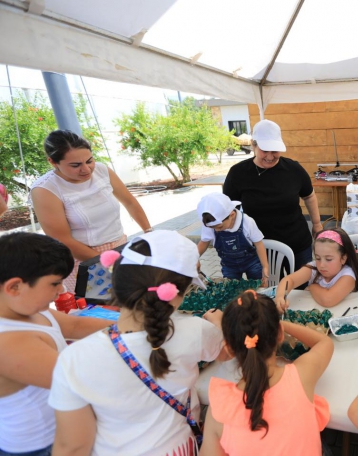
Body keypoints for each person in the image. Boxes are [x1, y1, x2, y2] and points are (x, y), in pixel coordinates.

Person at [49, 230, 226, 455]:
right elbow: (224, 352)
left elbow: (72, 446)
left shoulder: (73, 358)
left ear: (116, 277)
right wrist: (218, 323)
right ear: (174, 294)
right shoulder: (195, 331)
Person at [0, 233, 111, 456]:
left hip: (64, 429)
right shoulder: (9, 343)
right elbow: (82, 381)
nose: (61, 290)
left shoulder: (28, 308)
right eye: (55, 283)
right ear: (14, 287)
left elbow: (76, 326)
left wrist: (135, 329)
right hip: (42, 445)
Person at [201, 290, 333, 455]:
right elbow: (324, 342)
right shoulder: (301, 376)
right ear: (279, 334)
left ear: (229, 348)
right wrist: (279, 324)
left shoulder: (218, 414)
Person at [30, 130, 152, 291]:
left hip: (120, 248)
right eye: (75, 165)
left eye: (89, 161)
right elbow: (62, 240)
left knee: (134, 300)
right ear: (53, 162)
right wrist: (109, 262)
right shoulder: (45, 189)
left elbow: (130, 202)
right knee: (102, 310)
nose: (86, 169)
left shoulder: (102, 170)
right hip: (83, 259)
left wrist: (149, 232)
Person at [223, 120, 324, 274]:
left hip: (297, 243)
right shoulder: (238, 173)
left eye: (275, 151)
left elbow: (309, 196)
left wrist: (317, 224)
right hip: (258, 246)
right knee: (266, 291)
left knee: (301, 290)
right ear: (253, 145)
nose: (270, 156)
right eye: (265, 150)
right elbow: (229, 210)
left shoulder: (293, 169)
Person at [275, 228, 358, 310]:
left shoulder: (348, 275)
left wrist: (312, 287)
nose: (321, 265)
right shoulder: (313, 267)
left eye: (328, 259)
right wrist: (280, 296)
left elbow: (328, 300)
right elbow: (289, 279)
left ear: (343, 258)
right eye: (318, 258)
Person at [197, 192, 269, 285]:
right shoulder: (212, 225)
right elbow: (204, 242)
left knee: (259, 286)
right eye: (212, 228)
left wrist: (265, 267)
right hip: (229, 266)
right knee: (231, 290)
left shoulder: (247, 222)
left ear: (232, 215)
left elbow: (259, 244)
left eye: (219, 227)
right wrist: (194, 258)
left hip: (252, 263)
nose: (216, 230)